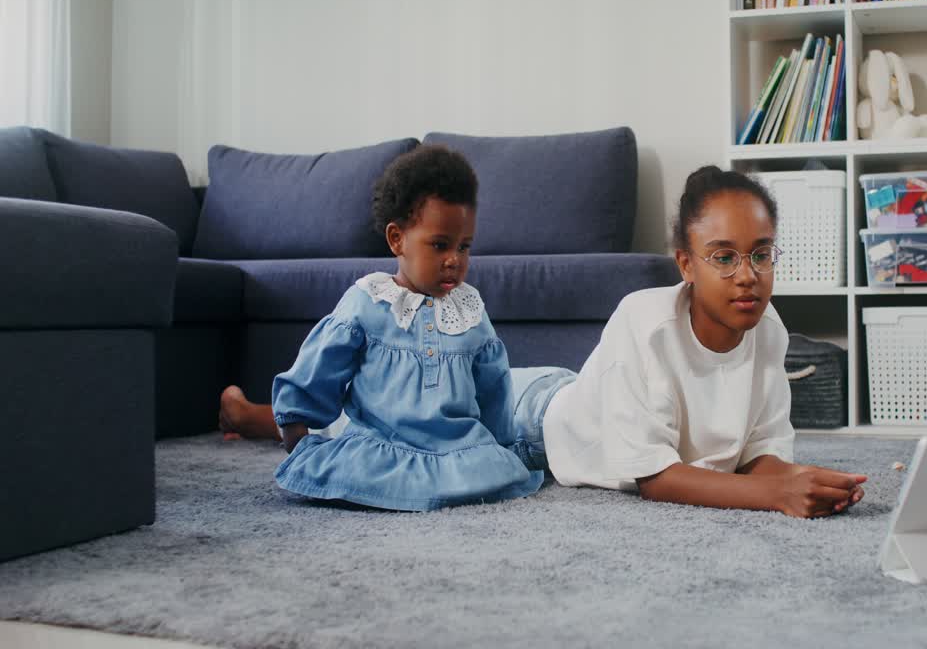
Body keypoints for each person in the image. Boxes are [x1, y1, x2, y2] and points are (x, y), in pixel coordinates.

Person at [511, 166, 867, 518]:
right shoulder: (643, 322)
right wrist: (779, 494)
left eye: (761, 255)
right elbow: (656, 479)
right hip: (529, 420)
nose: (747, 276)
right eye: (724, 258)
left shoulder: (769, 328)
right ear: (686, 265)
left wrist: (808, 480)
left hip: (579, 392)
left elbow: (757, 457)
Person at [219, 144, 542, 511]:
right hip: (381, 452)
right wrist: (297, 429)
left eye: (464, 246)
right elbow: (318, 369)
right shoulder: (367, 302)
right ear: (396, 239)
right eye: (440, 245)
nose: (454, 260)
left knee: (495, 471)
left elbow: (494, 390)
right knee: (346, 468)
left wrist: (499, 446)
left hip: (458, 453)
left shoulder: (470, 312)